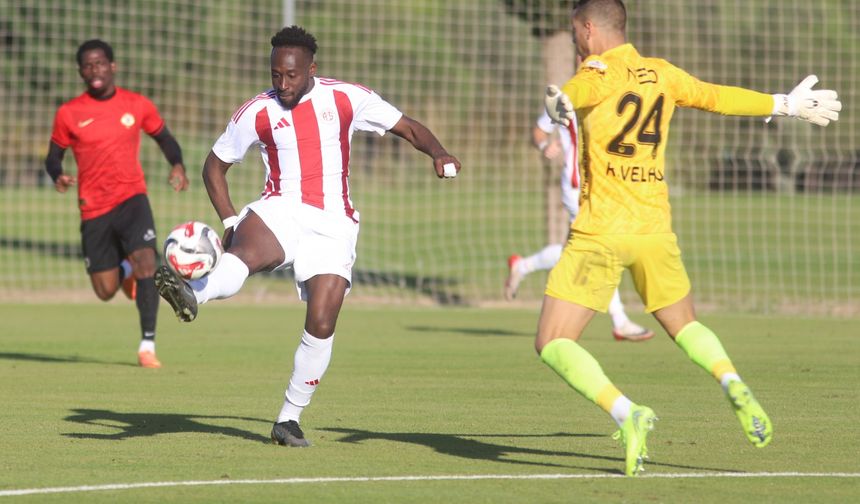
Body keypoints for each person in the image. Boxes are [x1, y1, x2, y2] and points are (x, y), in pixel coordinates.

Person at [540, 0, 840, 476]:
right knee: (685, 326)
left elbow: (579, 89)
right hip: (655, 229)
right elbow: (717, 96)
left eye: (577, 32)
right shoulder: (662, 73)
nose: (577, 41)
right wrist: (785, 104)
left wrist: (560, 102)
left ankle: (627, 412)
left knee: (553, 341)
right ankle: (730, 379)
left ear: (590, 28)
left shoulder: (597, 67)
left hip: (601, 230)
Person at [154, 26, 461, 447]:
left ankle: (288, 420)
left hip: (335, 224)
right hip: (280, 207)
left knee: (321, 322)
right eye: (276, 74)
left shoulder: (346, 97)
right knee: (244, 254)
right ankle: (192, 293)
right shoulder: (256, 112)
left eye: (292, 76)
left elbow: (406, 127)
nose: (282, 84)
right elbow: (214, 165)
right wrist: (229, 222)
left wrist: (439, 152)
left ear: (311, 69)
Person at [45, 39, 190, 369]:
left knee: (148, 265)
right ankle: (125, 270)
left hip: (132, 200)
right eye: (87, 65)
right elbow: (53, 156)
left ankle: (147, 346)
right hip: (94, 209)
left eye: (100, 63)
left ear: (113, 66)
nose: (94, 69)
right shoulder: (69, 113)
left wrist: (177, 165)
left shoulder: (136, 104)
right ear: (81, 71)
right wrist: (58, 174)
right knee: (105, 290)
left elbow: (164, 138)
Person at [505, 108, 654, 342]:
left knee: (577, 253)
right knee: (604, 249)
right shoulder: (566, 99)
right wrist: (545, 146)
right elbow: (538, 132)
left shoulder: (612, 95)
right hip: (579, 190)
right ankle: (620, 321)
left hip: (607, 189)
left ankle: (522, 266)